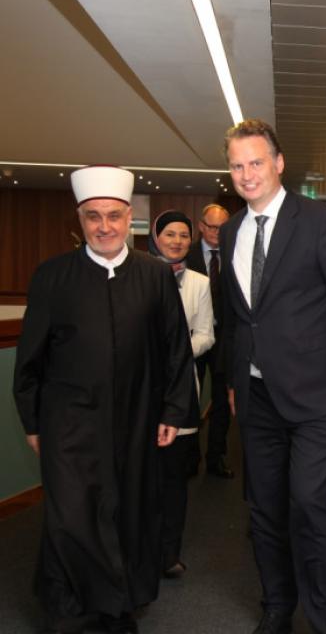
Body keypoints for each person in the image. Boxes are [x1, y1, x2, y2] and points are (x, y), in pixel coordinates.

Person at [219, 119, 326, 634]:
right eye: (237, 166)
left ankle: (323, 619)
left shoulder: (319, 222)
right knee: (264, 508)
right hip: (257, 395)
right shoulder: (230, 231)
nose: (247, 174)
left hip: (318, 395)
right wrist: (232, 381)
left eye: (256, 162)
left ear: (278, 163)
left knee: (310, 502)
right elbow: (237, 318)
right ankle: (277, 605)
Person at [13, 165, 194, 634]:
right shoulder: (52, 276)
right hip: (67, 423)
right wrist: (33, 422)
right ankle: (71, 612)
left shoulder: (154, 275)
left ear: (129, 217)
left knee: (127, 513)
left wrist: (173, 410)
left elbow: (175, 348)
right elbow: (30, 358)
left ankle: (118, 608)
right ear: (80, 219)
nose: (104, 226)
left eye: (113, 216)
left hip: (136, 419)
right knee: (71, 516)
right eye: (93, 216)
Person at [149, 210, 215, 579]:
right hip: (140, 389)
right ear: (155, 237)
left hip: (180, 386)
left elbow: (207, 333)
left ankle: (168, 552)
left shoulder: (199, 283)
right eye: (169, 234)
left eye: (183, 235)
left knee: (174, 477)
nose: (177, 241)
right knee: (141, 475)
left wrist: (177, 349)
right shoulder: (137, 275)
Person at [186, 203, 235, 478]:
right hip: (193, 339)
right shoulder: (186, 253)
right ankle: (190, 457)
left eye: (222, 228)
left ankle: (216, 458)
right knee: (190, 399)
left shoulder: (236, 254)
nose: (217, 232)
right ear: (201, 226)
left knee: (221, 403)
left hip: (224, 340)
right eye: (212, 227)